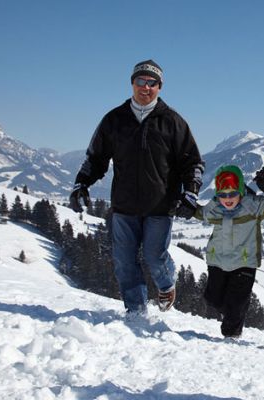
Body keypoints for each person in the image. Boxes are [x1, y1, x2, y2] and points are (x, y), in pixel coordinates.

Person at [69, 59, 204, 315]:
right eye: (141, 81)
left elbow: (193, 161)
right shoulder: (114, 120)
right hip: (124, 204)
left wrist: (191, 193)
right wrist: (81, 184)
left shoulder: (172, 121)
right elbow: (96, 158)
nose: (146, 87)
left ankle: (166, 284)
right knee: (124, 262)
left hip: (160, 205)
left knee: (155, 256)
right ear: (132, 83)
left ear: (159, 87)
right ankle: (137, 312)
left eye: (152, 83)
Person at [194, 165, 264, 339]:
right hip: (218, 261)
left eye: (232, 193)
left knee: (236, 304)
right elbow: (198, 212)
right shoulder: (214, 208)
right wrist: (184, 205)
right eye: (223, 194)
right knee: (213, 299)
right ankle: (236, 311)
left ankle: (231, 335)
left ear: (241, 190)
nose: (227, 199)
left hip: (244, 262)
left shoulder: (253, 207)